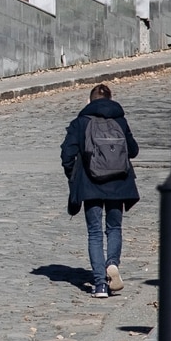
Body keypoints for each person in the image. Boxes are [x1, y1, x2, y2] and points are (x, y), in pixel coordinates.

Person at [61, 82, 141, 298]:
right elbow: (133, 151)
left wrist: (74, 175)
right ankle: (112, 264)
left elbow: (67, 154)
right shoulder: (120, 120)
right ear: (110, 99)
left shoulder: (81, 122)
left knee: (95, 233)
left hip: (91, 184)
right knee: (114, 228)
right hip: (119, 183)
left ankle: (99, 285)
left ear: (90, 100)